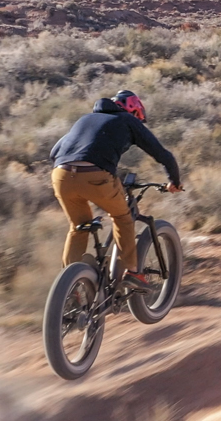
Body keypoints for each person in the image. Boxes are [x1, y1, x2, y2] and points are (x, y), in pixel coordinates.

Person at [49, 90, 182, 290]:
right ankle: (132, 272)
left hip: (61, 175)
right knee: (122, 216)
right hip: (96, 176)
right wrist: (174, 181)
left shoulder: (86, 119)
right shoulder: (127, 120)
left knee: (78, 226)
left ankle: (69, 290)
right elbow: (163, 155)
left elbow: (54, 153)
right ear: (134, 111)